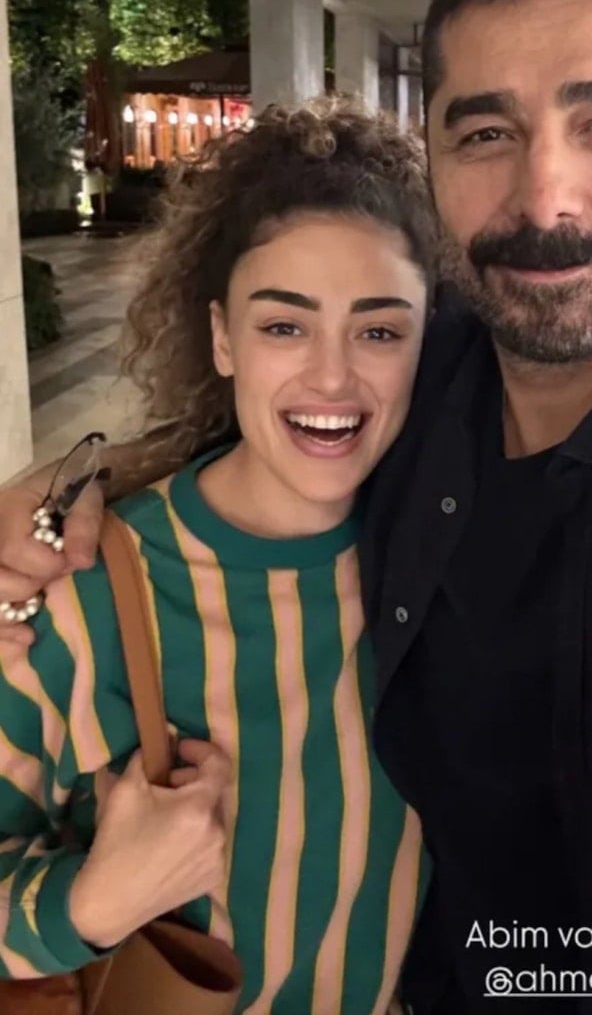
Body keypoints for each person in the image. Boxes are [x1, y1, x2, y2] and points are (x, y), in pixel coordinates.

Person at [3, 0, 592, 1013]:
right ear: (432, 155)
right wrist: (66, 488)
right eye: (485, 133)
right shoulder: (441, 361)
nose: (543, 200)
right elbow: (295, 394)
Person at [0, 98, 435, 1013]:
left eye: (379, 330)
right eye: (283, 326)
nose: (332, 376)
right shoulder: (78, 595)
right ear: (222, 339)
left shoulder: (442, 571)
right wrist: (90, 903)